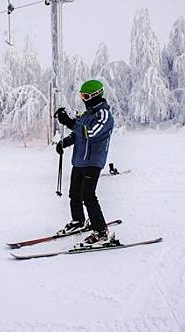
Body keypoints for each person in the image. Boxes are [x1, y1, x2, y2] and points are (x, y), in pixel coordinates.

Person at [55, 79, 115, 245]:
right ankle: (78, 221)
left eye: (86, 95)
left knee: (88, 196)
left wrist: (69, 122)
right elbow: (78, 134)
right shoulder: (86, 114)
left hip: (93, 161)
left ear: (96, 95)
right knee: (74, 194)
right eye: (82, 95)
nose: (83, 99)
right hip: (79, 160)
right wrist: (64, 142)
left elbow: (91, 133)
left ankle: (101, 231)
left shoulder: (103, 115)